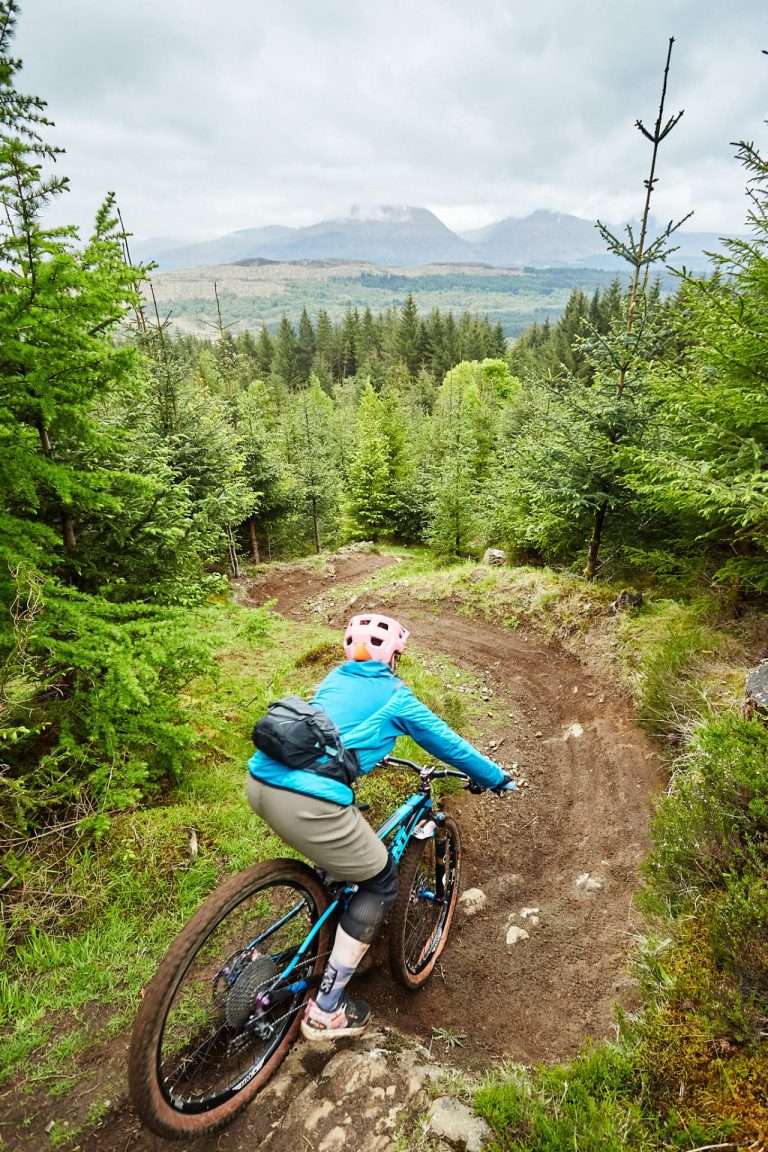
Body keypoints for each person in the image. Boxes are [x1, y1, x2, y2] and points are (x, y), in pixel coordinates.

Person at [246, 612, 515, 1042]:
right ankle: (326, 1011)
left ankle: (327, 914)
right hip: (307, 800)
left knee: (343, 856)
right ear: (392, 657)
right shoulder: (396, 697)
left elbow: (334, 729)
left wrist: (371, 749)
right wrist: (495, 778)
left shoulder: (335, 679)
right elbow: (450, 745)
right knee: (381, 882)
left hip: (260, 783)